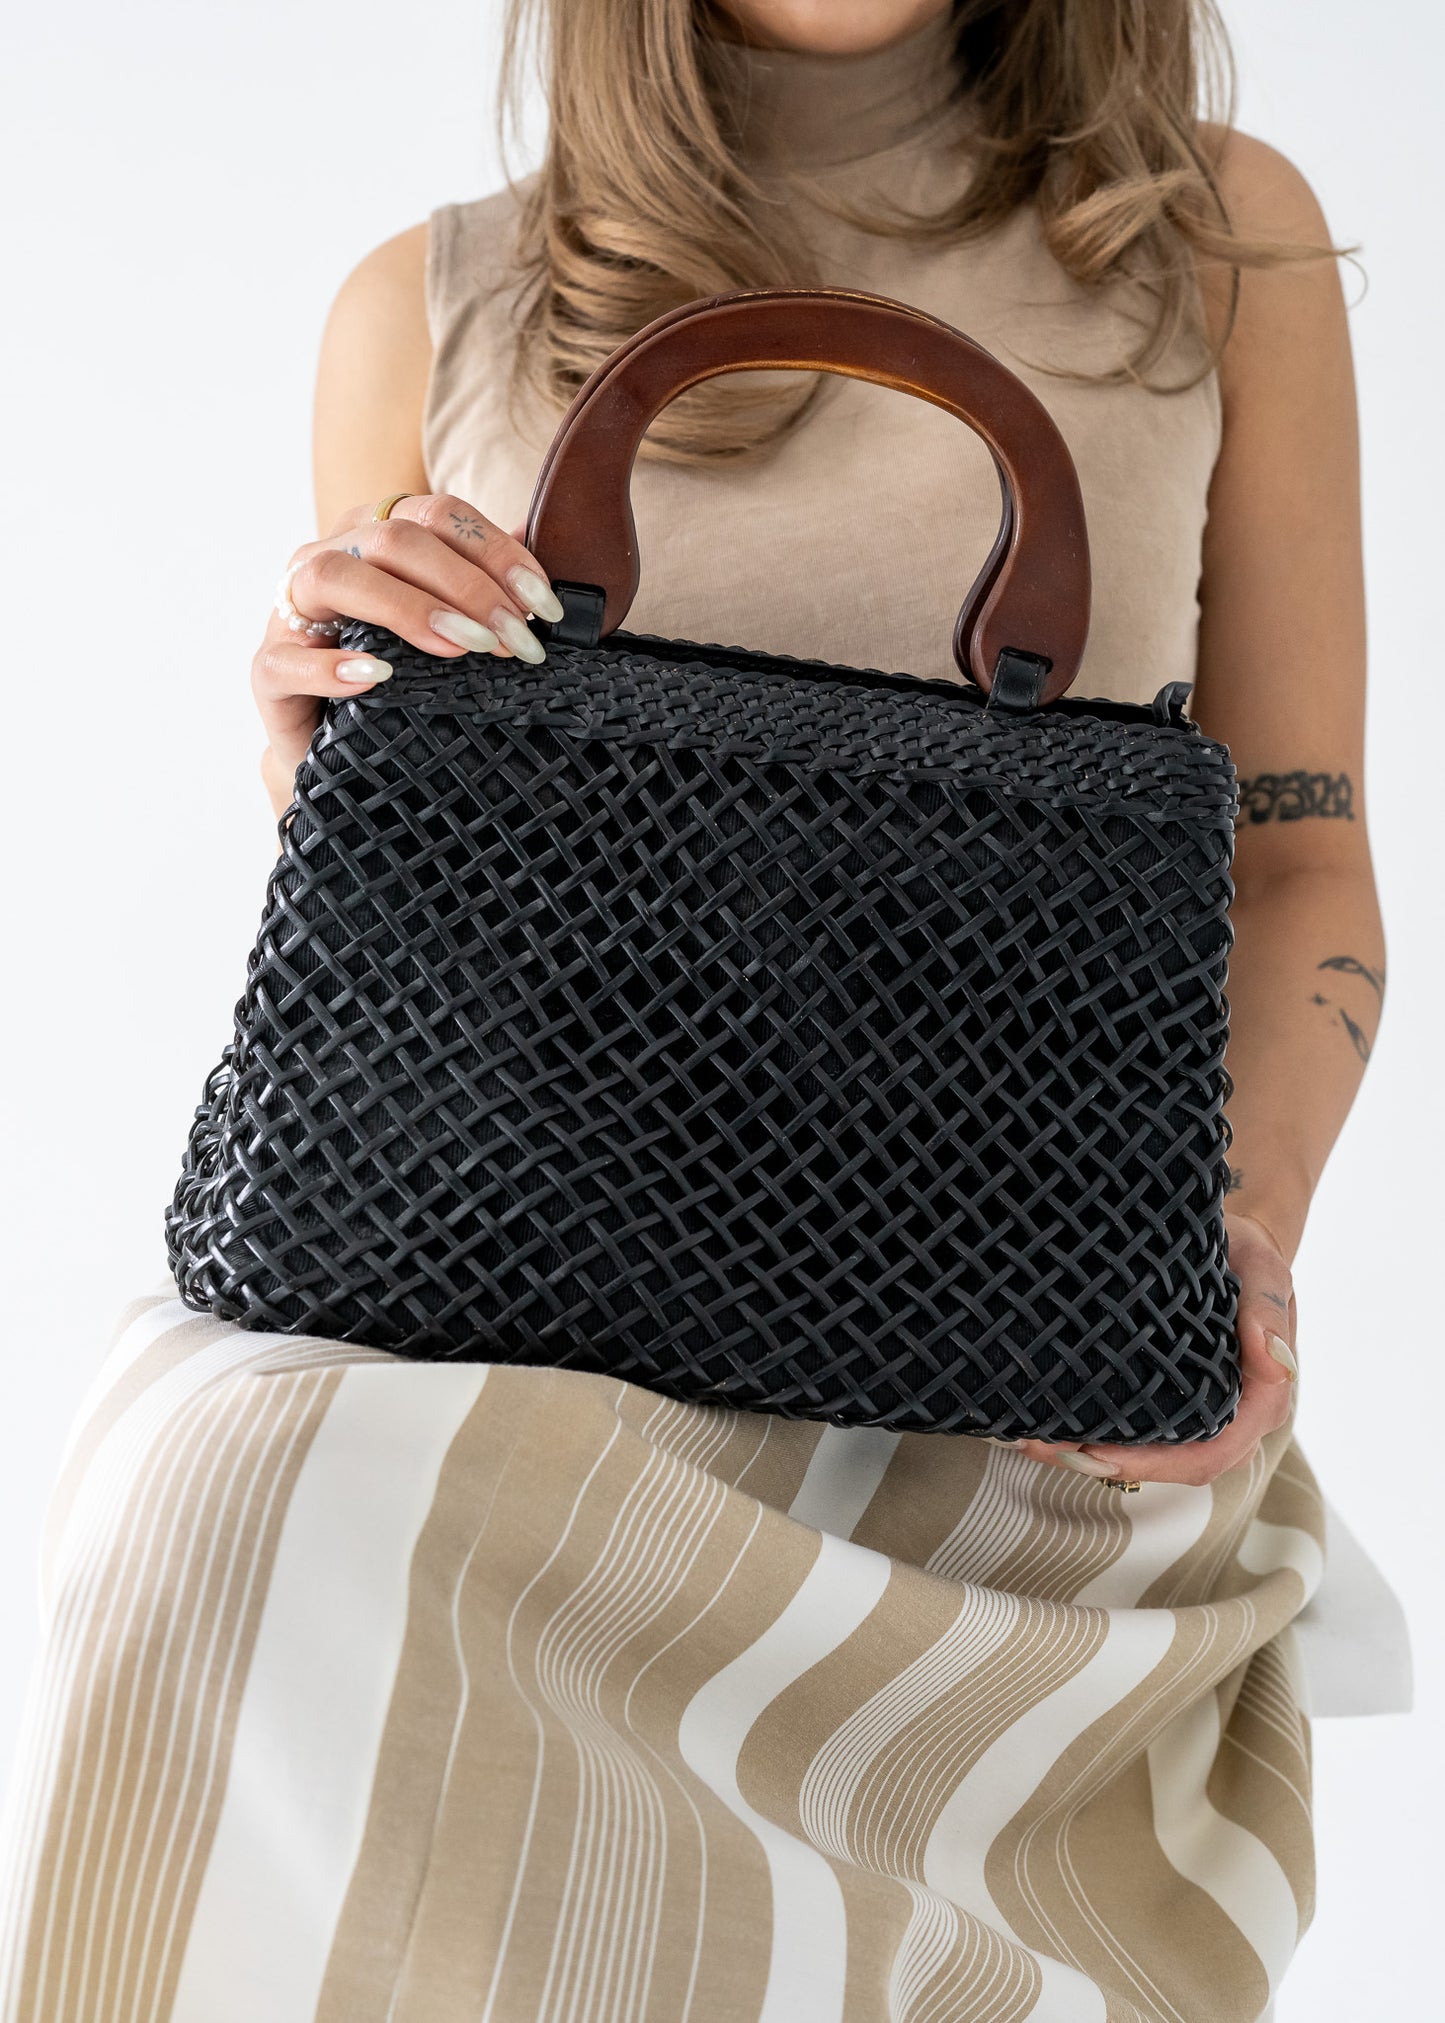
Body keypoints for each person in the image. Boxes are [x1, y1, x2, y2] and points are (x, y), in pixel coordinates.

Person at [0, 4, 1409, 2020]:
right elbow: (427, 935)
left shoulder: (1203, 238)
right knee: (213, 1503)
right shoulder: (431, 303)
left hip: (1018, 1340)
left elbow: (1297, 869)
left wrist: (1240, 1237)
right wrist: (336, 750)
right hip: (535, 1333)